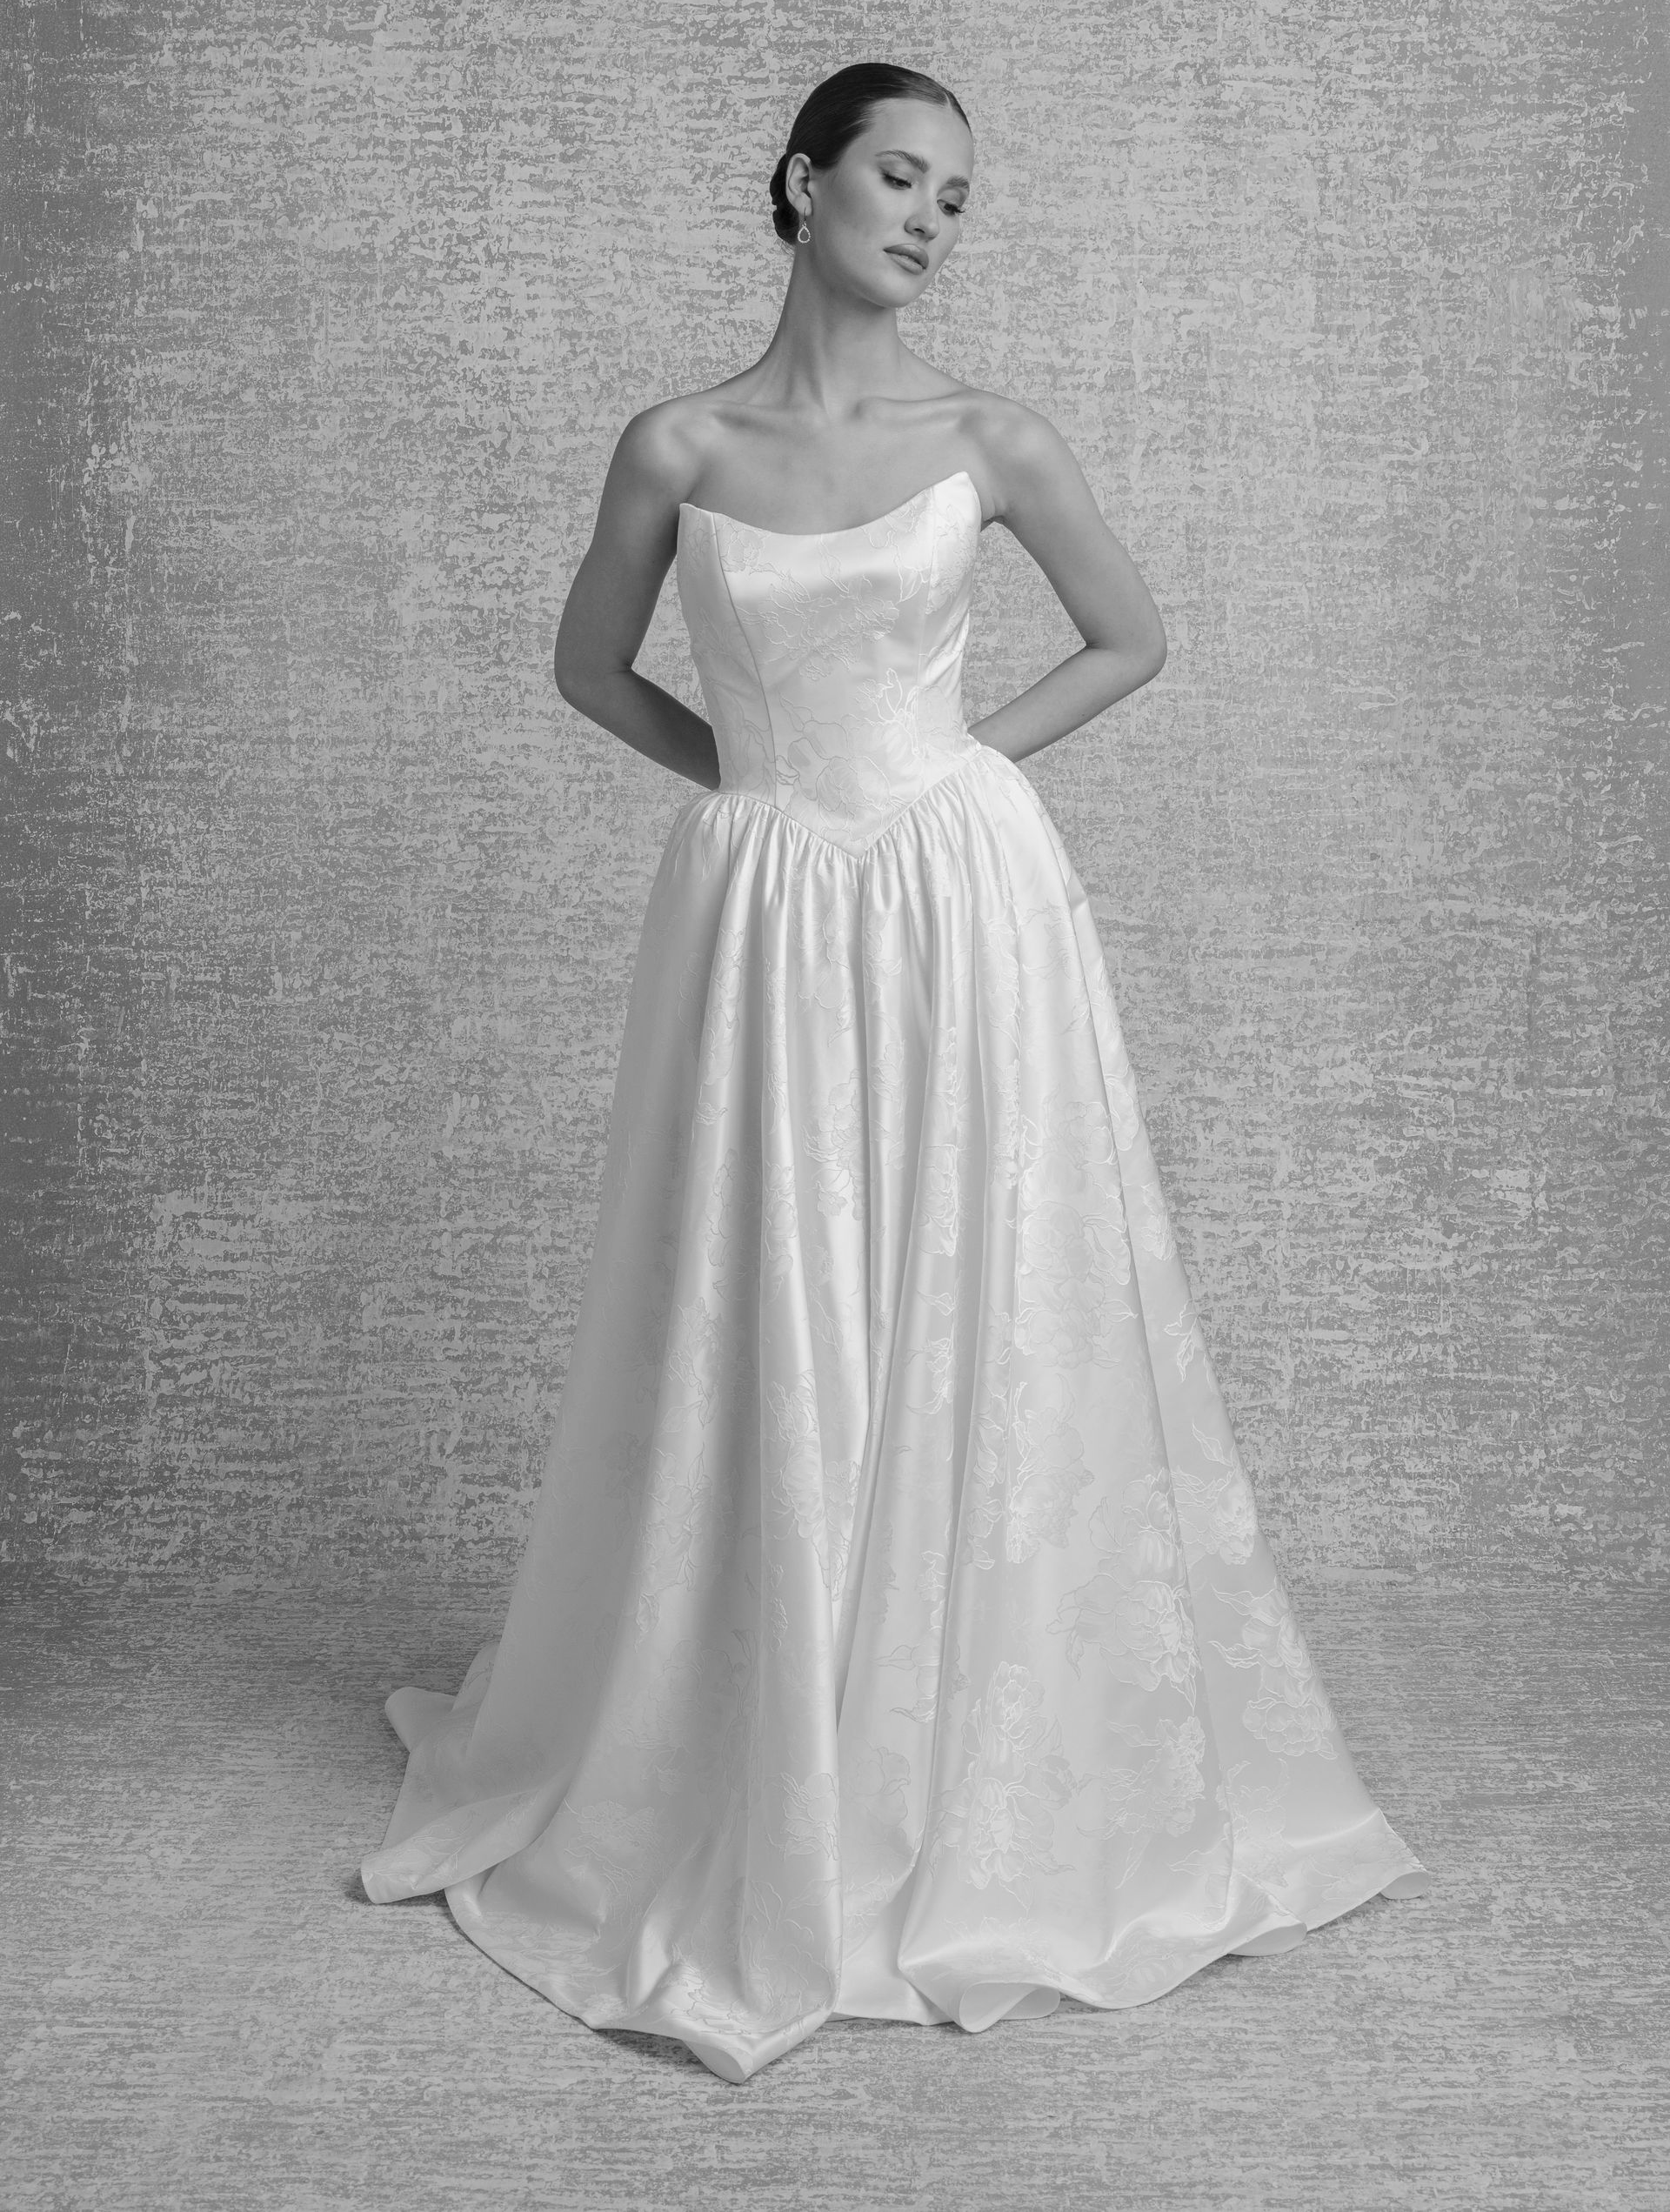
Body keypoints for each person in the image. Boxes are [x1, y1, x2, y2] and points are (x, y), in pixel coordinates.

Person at [361, 60, 1427, 2083]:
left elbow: (1134, 635)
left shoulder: (993, 434)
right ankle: (752, 1735)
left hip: (964, 904)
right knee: (751, 1281)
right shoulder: (677, 440)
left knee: (981, 1286)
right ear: (804, 182)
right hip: (763, 909)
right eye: (901, 176)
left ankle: (963, 1747)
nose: (933, 216)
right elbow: (588, 671)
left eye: (959, 194)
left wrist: (950, 776)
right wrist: (758, 793)